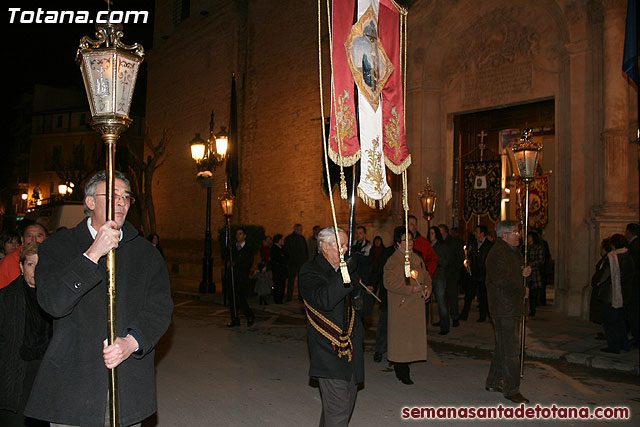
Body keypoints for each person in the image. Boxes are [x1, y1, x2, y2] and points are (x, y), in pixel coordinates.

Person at [23, 170, 173, 427]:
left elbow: (160, 307)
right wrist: (93, 254)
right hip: (72, 386)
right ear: (90, 202)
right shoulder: (58, 247)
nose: (122, 202)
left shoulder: (146, 254)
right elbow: (53, 303)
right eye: (113, 195)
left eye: (126, 196)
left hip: (126, 383)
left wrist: (132, 342)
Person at [299, 226, 363, 426]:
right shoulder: (310, 270)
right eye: (340, 245)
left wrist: (361, 296)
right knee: (338, 413)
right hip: (329, 350)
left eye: (346, 245)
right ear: (325, 247)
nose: (345, 249)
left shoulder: (347, 271)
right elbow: (324, 299)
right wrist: (345, 274)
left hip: (352, 352)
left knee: (338, 411)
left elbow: (364, 310)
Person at [0, 242, 51, 427]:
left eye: (41, 263)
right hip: (15, 381)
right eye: (30, 264)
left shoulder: (56, 298)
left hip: (46, 380)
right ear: (21, 267)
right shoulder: (6, 298)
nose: (36, 269)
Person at [485, 220, 532, 404]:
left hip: (511, 306)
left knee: (503, 346)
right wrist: (522, 290)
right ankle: (512, 389)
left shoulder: (512, 251)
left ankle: (493, 381)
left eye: (518, 232)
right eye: (515, 232)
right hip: (503, 307)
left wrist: (524, 272)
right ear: (504, 235)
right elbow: (502, 280)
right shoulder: (497, 253)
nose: (518, 235)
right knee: (511, 349)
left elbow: (513, 273)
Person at [384, 227, 432, 385]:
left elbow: (426, 276)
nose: (410, 243)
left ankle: (407, 360)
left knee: (411, 337)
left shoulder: (417, 258)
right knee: (401, 339)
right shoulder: (393, 260)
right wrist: (410, 289)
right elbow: (389, 283)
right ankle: (401, 370)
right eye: (406, 240)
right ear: (398, 243)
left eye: (411, 240)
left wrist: (427, 288)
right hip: (402, 306)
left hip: (416, 306)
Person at [595, 234, 635, 354]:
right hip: (624, 293)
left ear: (613, 244)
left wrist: (597, 282)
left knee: (610, 321)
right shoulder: (628, 255)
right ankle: (624, 344)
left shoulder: (613, 257)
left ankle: (613, 346)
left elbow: (605, 275)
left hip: (612, 294)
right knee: (620, 320)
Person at [0, 222, 47, 289]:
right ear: (22, 239)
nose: (34, 240)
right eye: (29, 236)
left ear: (46, 238)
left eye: (39, 236)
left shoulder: (53, 258)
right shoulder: (9, 260)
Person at [461, 225, 493, 322]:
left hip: (483, 274)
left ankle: (483, 316)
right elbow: (470, 255)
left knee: (483, 296)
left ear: (482, 233)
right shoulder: (474, 244)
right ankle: (464, 315)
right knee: (469, 295)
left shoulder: (489, 245)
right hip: (473, 274)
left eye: (477, 232)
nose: (475, 234)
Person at [226, 227, 256, 327]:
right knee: (232, 299)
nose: (238, 236)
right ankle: (234, 319)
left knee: (239, 298)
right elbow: (227, 258)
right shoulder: (232, 248)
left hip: (241, 277)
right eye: (237, 234)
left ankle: (250, 315)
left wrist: (236, 263)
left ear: (244, 236)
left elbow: (248, 262)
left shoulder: (248, 249)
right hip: (232, 277)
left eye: (240, 234)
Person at [438, 224, 465, 327]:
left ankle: (455, 317)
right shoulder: (439, 242)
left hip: (452, 273)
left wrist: (454, 269)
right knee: (442, 297)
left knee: (452, 296)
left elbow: (460, 257)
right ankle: (443, 319)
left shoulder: (454, 242)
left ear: (445, 231)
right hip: (441, 273)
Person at [428, 226, 450, 335]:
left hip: (439, 275)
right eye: (430, 233)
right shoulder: (428, 245)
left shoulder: (442, 246)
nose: (431, 235)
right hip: (429, 275)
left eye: (432, 233)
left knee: (441, 301)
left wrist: (435, 258)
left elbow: (445, 261)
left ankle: (445, 325)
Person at [284, 224, 308, 301]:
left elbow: (305, 250)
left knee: (300, 280)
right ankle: (289, 296)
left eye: (301, 230)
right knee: (291, 280)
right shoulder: (289, 238)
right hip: (293, 263)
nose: (301, 231)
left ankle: (300, 296)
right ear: (295, 230)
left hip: (300, 263)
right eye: (299, 230)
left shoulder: (302, 238)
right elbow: (287, 251)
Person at [624, 223, 639, 346]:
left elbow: (632, 266)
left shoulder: (635, 246)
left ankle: (636, 336)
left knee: (633, 311)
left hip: (634, 284)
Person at [525, 232, 545, 317]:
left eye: (529, 237)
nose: (528, 238)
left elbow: (541, 260)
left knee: (533, 292)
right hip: (526, 271)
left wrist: (530, 265)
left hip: (534, 272)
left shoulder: (538, 247)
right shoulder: (525, 247)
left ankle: (533, 309)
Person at [270, 234, 287, 304]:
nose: (282, 241)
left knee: (282, 285)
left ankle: (280, 298)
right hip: (277, 271)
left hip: (282, 270)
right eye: (281, 240)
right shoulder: (274, 248)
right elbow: (276, 260)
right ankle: (277, 299)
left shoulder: (282, 248)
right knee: (277, 285)